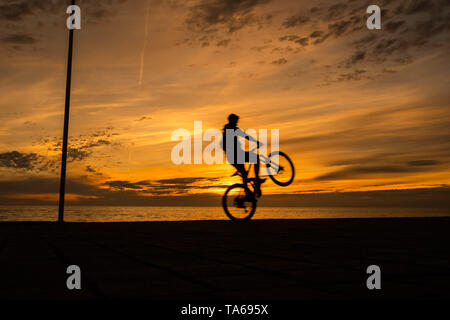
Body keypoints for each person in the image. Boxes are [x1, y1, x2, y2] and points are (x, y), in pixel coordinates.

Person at [220, 113, 266, 199]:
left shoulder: (229, 129)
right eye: (236, 121)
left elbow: (245, 136)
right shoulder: (230, 130)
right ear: (232, 121)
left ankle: (248, 192)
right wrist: (256, 142)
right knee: (255, 158)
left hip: (234, 156)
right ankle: (256, 180)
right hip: (235, 156)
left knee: (244, 173)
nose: (237, 123)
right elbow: (246, 136)